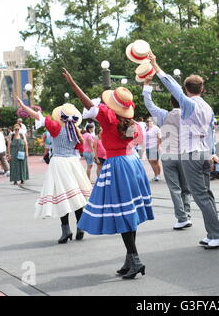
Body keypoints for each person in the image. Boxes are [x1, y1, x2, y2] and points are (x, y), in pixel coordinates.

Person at [63, 68, 154, 279]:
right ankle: (130, 258)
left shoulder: (109, 118)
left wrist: (74, 85)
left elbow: (88, 104)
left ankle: (135, 259)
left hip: (117, 165)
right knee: (128, 211)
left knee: (122, 213)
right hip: (132, 162)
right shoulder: (133, 124)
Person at [148, 52, 219, 249]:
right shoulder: (208, 108)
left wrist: (156, 66)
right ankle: (212, 233)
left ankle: (217, 233)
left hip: (190, 154)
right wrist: (211, 153)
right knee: (207, 195)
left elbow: (171, 86)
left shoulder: (188, 104)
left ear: (186, 90)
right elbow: (210, 132)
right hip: (203, 153)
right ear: (202, 88)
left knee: (200, 196)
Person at [16, 96, 91, 244]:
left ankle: (66, 230)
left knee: (61, 195)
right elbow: (80, 148)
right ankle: (80, 227)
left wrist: (24, 107)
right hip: (73, 163)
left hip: (59, 163)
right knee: (76, 197)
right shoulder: (76, 131)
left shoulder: (56, 128)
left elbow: (38, 116)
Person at [143, 75, 192, 230]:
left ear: (171, 102)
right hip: (185, 154)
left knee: (175, 188)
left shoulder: (164, 115)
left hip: (169, 154)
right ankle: (188, 214)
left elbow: (149, 104)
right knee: (186, 187)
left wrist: (147, 86)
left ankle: (181, 217)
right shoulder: (189, 113)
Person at [145, 117, 162, 181]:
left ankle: (158, 175)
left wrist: (158, 146)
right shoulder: (146, 128)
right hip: (147, 147)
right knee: (150, 162)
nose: (148, 122)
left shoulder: (156, 128)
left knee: (154, 161)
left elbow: (159, 138)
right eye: (147, 121)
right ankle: (155, 174)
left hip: (154, 146)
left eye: (149, 121)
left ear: (153, 122)